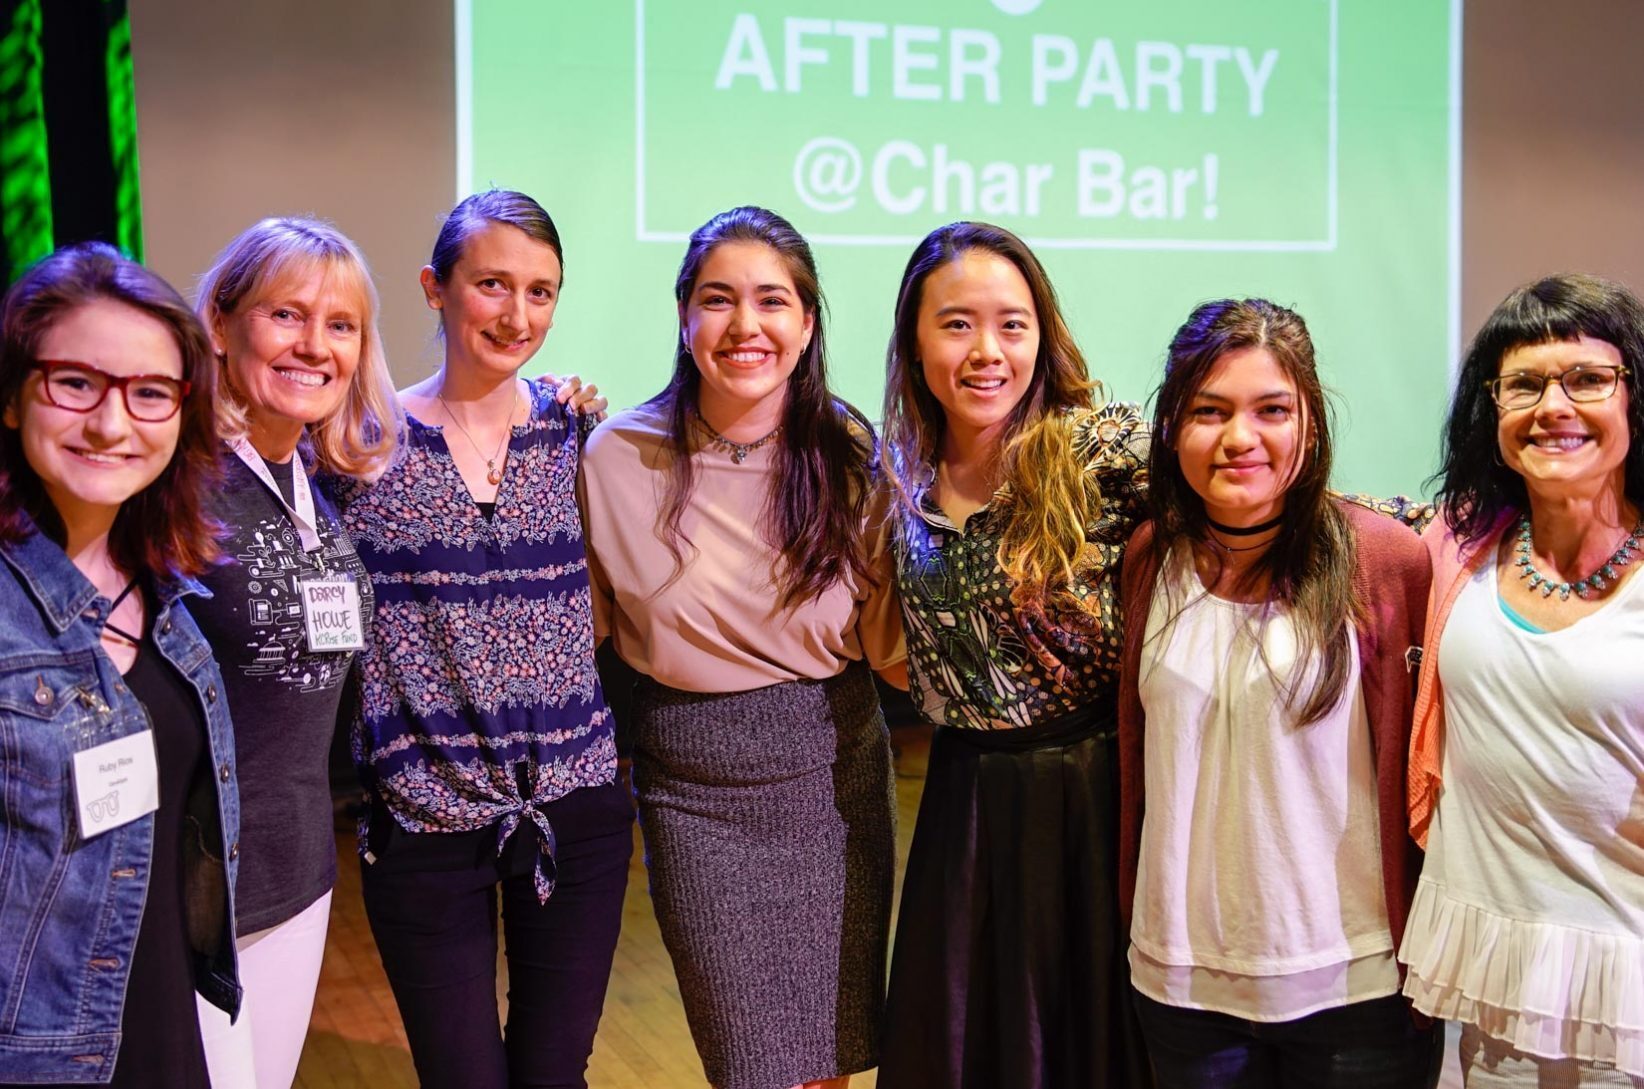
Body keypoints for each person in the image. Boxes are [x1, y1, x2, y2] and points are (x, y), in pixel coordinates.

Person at [579, 205, 904, 1089]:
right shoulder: (614, 456)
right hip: (693, 789)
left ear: (806, 323)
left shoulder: (848, 450)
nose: (745, 325)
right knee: (751, 1066)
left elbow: (885, 631)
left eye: (773, 301)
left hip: (831, 774)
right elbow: (589, 627)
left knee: (826, 1064)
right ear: (685, 316)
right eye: (718, 299)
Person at [330, 189, 632, 1089]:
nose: (518, 313)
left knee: (553, 1073)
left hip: (575, 808)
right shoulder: (357, 440)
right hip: (426, 816)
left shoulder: (571, 428)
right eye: (493, 284)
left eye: (542, 291)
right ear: (435, 288)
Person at [1115, 298, 1442, 1088]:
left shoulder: (1384, 560)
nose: (1240, 438)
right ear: (1170, 427)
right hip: (1181, 983)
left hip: (1356, 989)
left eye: (1272, 410)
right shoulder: (1149, 556)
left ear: (1312, 425)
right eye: (1209, 410)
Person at [876, 220, 1149, 1088]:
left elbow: (1264, 488)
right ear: (916, 342)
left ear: (1043, 334)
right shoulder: (896, 478)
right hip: (965, 801)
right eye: (956, 323)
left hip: (1089, 800)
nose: (986, 350)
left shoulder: (1097, 448)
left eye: (1012, 324)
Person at [0, 243, 239, 1086]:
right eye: (76, 382)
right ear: (13, 393)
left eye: (148, 393)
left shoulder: (166, 590)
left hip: (155, 1014)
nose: (111, 423)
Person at [1401, 273, 1644, 1087]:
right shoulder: (1458, 545)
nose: (1554, 406)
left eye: (1587, 378)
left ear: (1633, 397)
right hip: (1490, 978)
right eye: (1525, 384)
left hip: (1625, 983)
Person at [189, 216, 399, 1088]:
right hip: (192, 882)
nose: (315, 345)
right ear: (223, 323)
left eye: (340, 324)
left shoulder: (311, 478)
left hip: (300, 869)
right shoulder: (177, 483)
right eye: (286, 315)